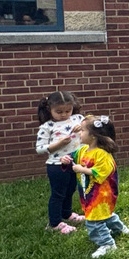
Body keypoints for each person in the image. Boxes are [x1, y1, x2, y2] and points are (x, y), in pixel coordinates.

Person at [61, 114, 129, 258]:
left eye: (82, 131)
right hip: (88, 192)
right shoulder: (83, 150)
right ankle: (119, 228)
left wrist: (82, 170)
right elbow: (73, 157)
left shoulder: (103, 154)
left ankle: (107, 243)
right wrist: (66, 159)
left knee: (93, 221)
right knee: (104, 215)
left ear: (93, 136)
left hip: (101, 194)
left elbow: (102, 173)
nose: (80, 133)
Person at [35, 89, 85, 234]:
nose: (64, 115)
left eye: (67, 111)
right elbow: (40, 149)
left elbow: (91, 124)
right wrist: (58, 145)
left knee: (70, 189)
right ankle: (54, 223)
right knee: (58, 194)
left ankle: (67, 214)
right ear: (49, 110)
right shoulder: (47, 127)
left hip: (75, 163)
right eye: (59, 112)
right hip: (57, 165)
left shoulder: (78, 119)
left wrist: (82, 126)